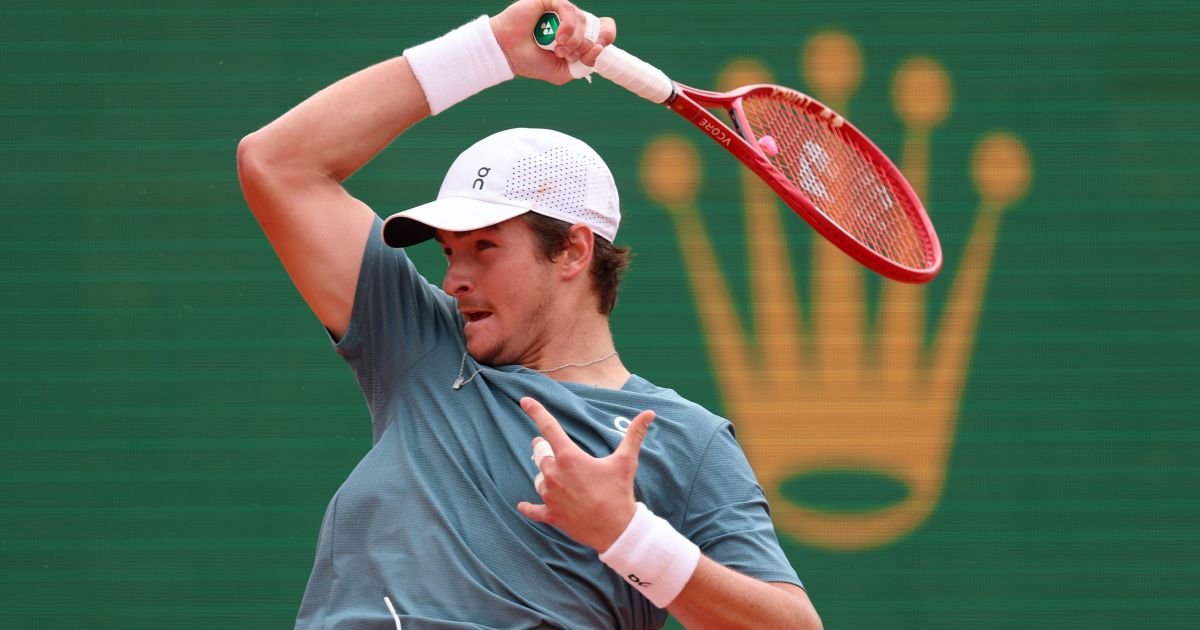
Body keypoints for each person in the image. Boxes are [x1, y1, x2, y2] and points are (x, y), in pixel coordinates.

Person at [237, 0, 821, 627]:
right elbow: (276, 164)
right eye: (449, 251)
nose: (454, 279)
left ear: (572, 250)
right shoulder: (420, 344)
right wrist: (491, 48)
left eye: (484, 247)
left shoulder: (685, 442)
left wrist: (628, 536)